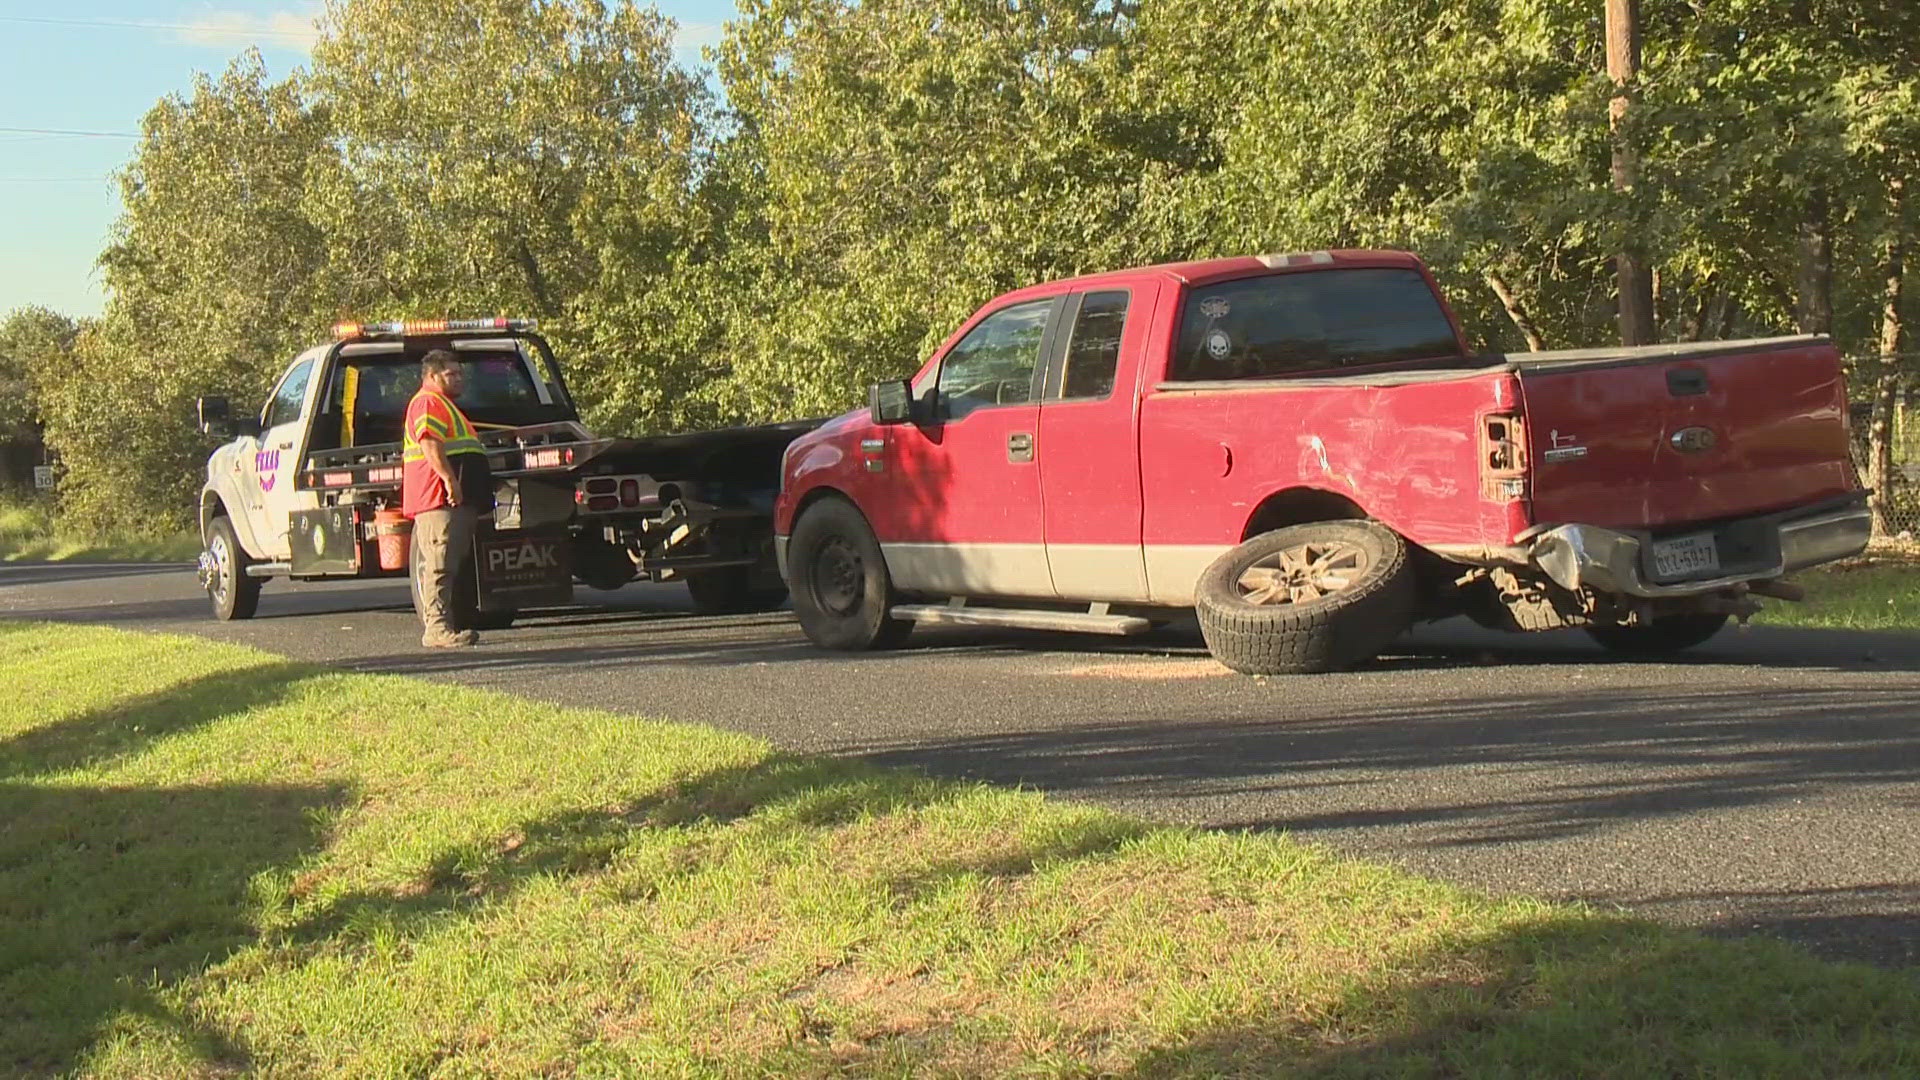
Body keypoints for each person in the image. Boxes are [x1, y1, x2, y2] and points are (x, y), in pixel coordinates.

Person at [403, 349, 489, 648]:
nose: (459, 379)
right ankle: (436, 629)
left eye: (460, 373)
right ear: (431, 376)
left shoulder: (445, 405)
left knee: (448, 562)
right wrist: (449, 480)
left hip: (447, 498)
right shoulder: (428, 402)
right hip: (436, 497)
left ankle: (444, 625)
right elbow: (429, 443)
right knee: (439, 563)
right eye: (451, 374)